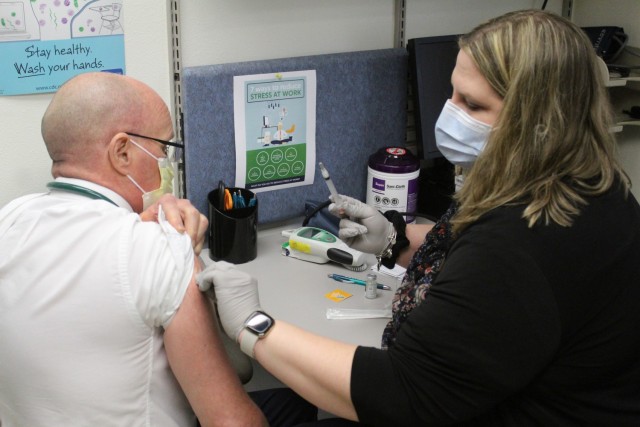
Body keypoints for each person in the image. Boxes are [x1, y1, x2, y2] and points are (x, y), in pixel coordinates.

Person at [197, 9, 640, 426]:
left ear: (541, 122)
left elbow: (400, 392)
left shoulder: (525, 241)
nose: (450, 114)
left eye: (474, 104)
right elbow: (473, 256)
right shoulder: (585, 181)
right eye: (452, 93)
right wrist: (397, 242)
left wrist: (255, 326)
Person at [0, 72, 316, 427]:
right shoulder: (159, 252)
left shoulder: (10, 218)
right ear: (122, 152)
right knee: (302, 400)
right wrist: (180, 253)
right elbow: (233, 422)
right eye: (163, 149)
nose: (167, 164)